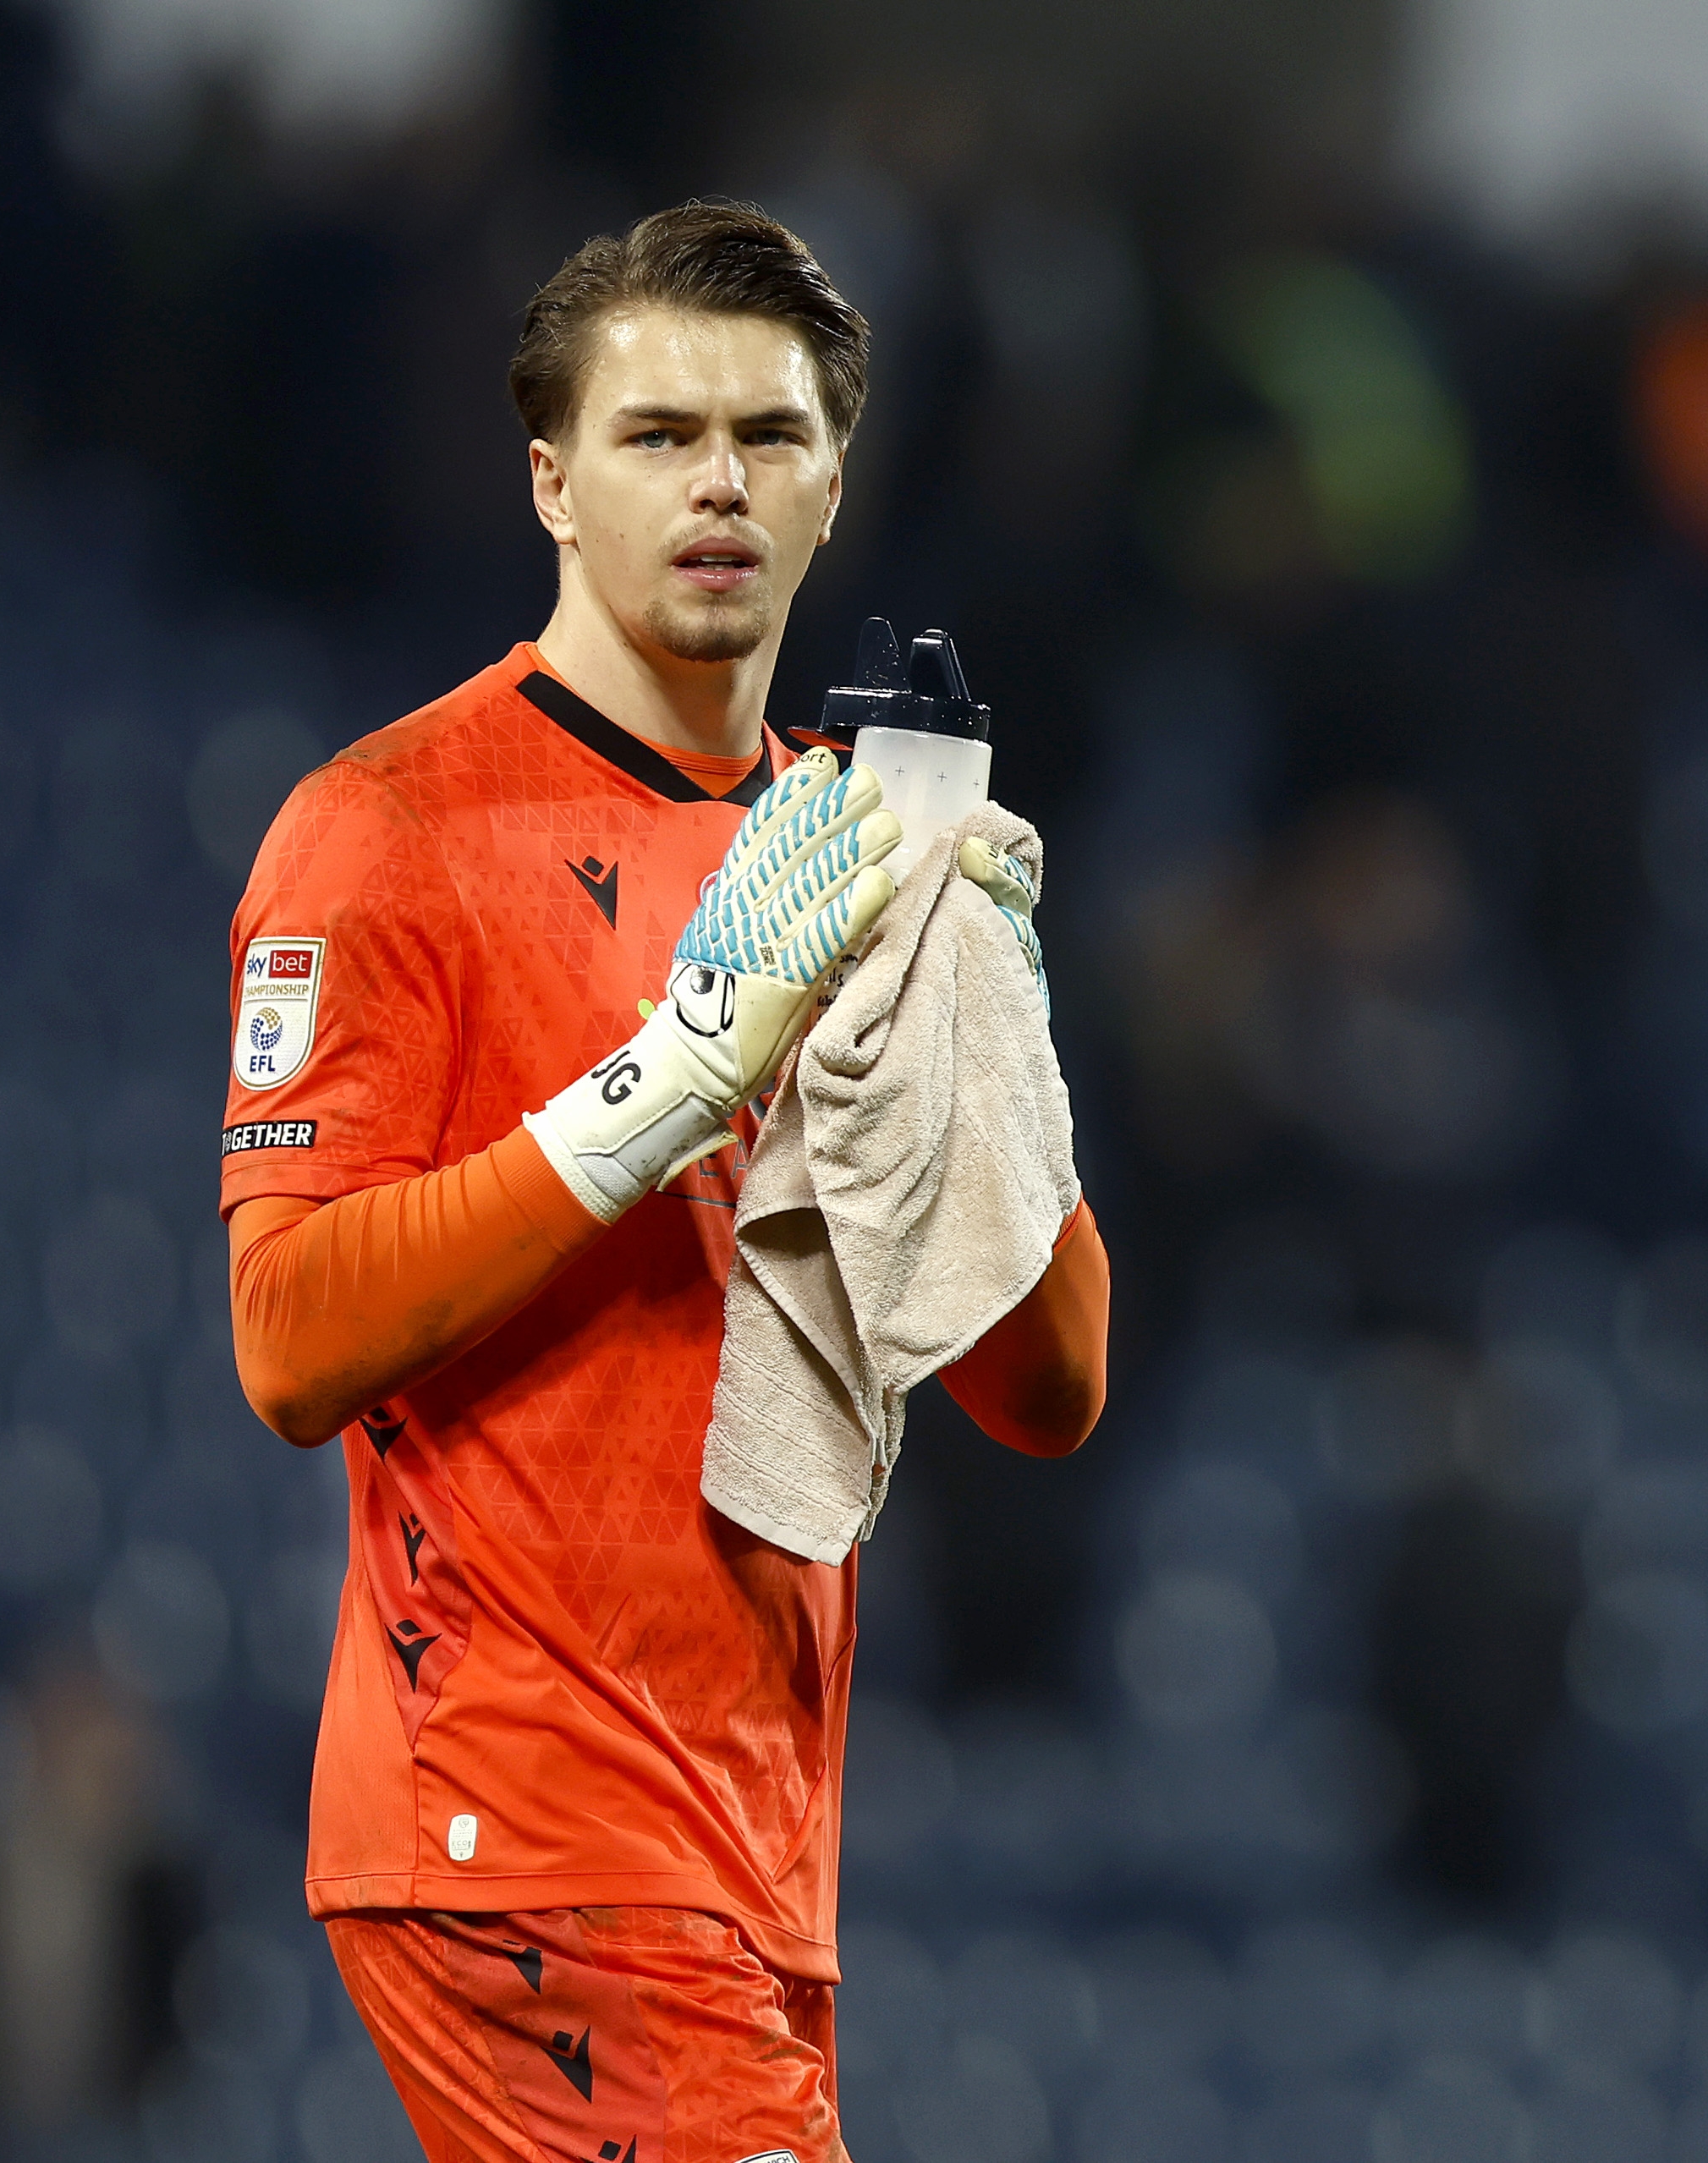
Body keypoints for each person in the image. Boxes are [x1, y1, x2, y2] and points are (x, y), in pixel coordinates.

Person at [217, 200, 1109, 2162]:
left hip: (752, 1844)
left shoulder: (856, 844)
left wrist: (1001, 1042)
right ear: (550, 481)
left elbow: (1043, 1395)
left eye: (767, 436)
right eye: (655, 435)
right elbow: (286, 1349)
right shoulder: (383, 831)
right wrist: (661, 1090)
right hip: (523, 1820)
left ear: (831, 482)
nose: (718, 479)